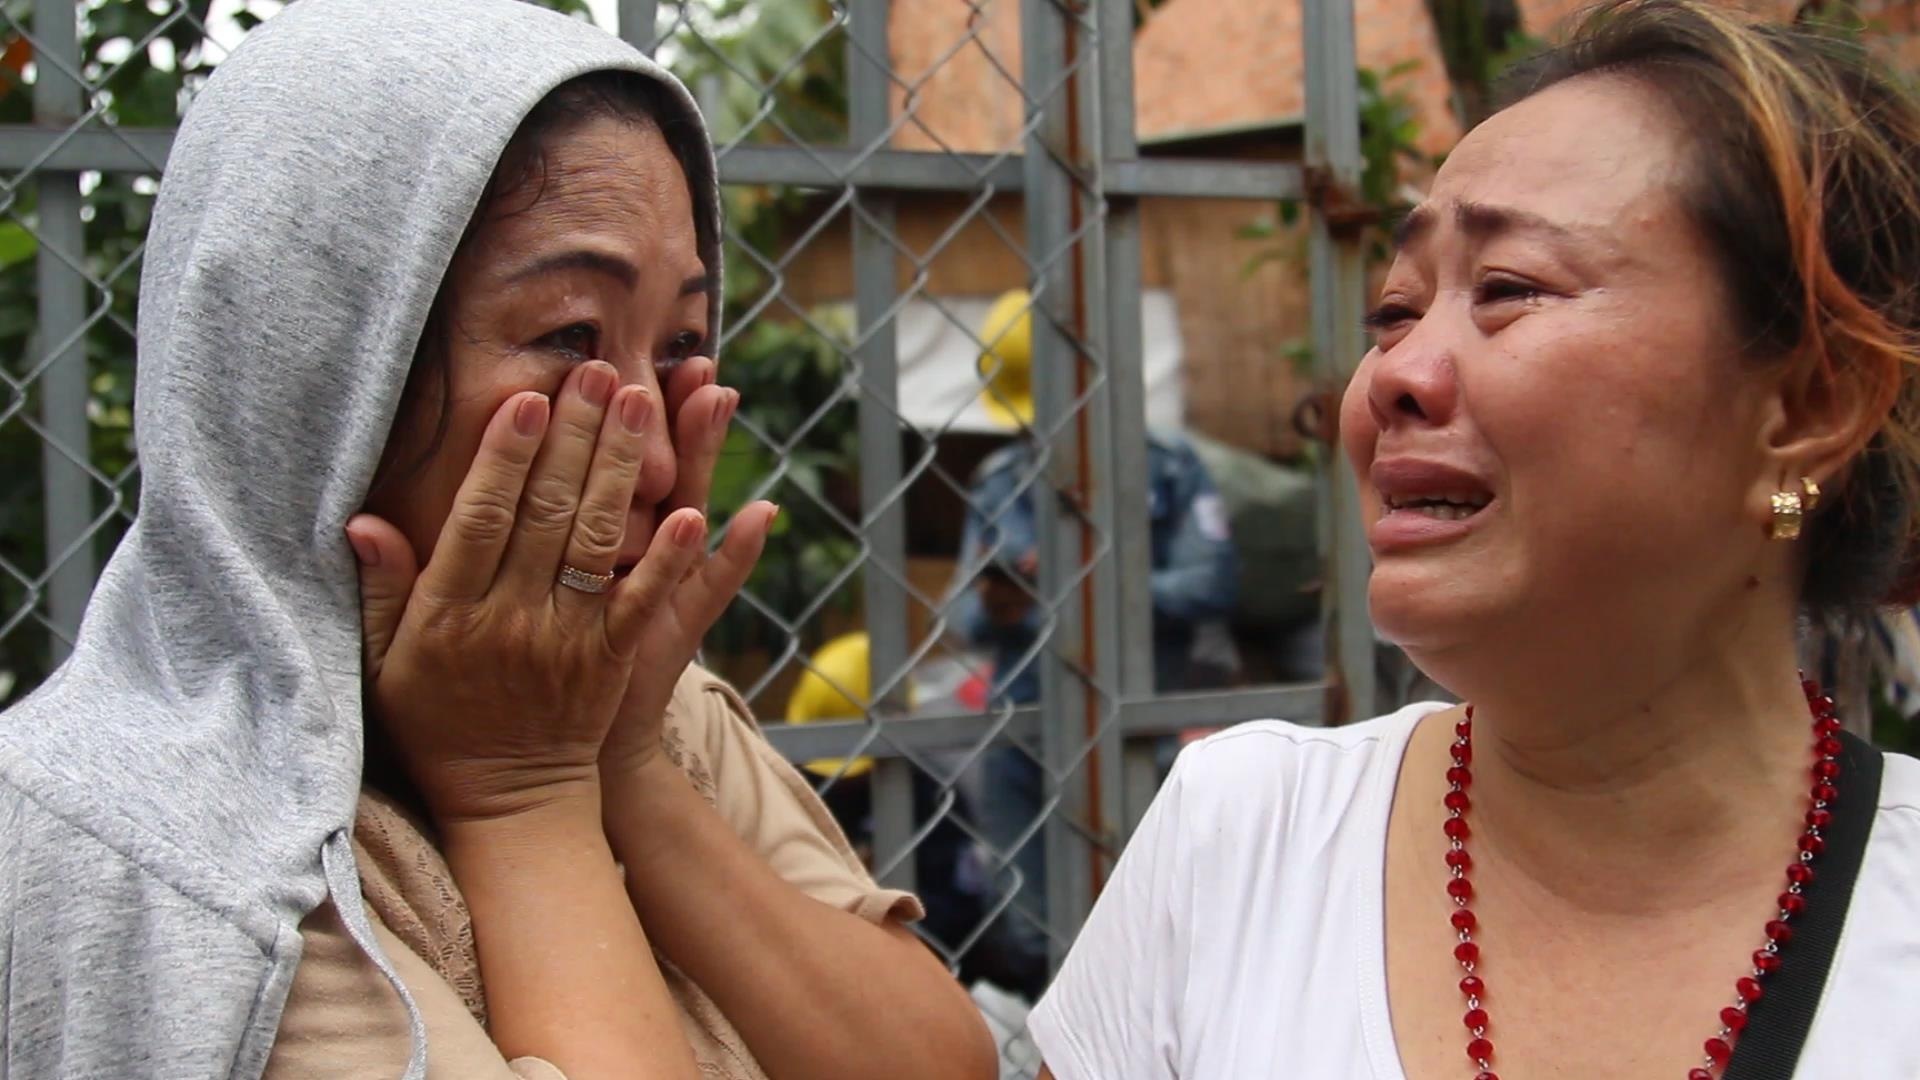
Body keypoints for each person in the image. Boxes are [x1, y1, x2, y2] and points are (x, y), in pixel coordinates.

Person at [0, 2, 996, 1077]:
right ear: (324, 376)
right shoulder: (172, 859)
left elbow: (943, 1063)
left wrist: (628, 768)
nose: (655, 459)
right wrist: (523, 793)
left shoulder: (647, 699)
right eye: (571, 338)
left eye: (680, 345)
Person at [1028, 2, 1920, 1077]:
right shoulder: (1244, 843)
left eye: (1507, 290)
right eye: (1395, 312)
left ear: (1808, 407)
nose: (1393, 378)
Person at [950, 289, 1239, 999]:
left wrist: (1091, 587)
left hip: (1144, 726)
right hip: (1029, 729)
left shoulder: (1165, 467)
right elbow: (961, 615)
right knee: (1036, 932)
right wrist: (1004, 605)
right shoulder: (1002, 480)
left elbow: (1212, 582)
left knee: (1163, 929)